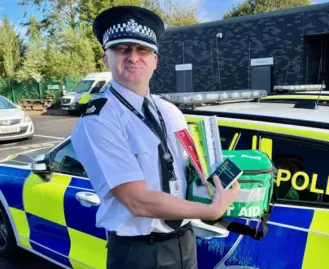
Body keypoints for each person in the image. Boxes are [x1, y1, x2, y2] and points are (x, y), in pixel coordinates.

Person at [70, 6, 240, 269]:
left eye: (142, 50)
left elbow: (191, 168)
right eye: (122, 49)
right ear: (106, 58)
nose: (133, 57)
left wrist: (229, 178)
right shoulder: (99, 119)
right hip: (139, 253)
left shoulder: (170, 111)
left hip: (184, 241)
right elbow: (137, 200)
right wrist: (211, 211)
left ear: (155, 60)